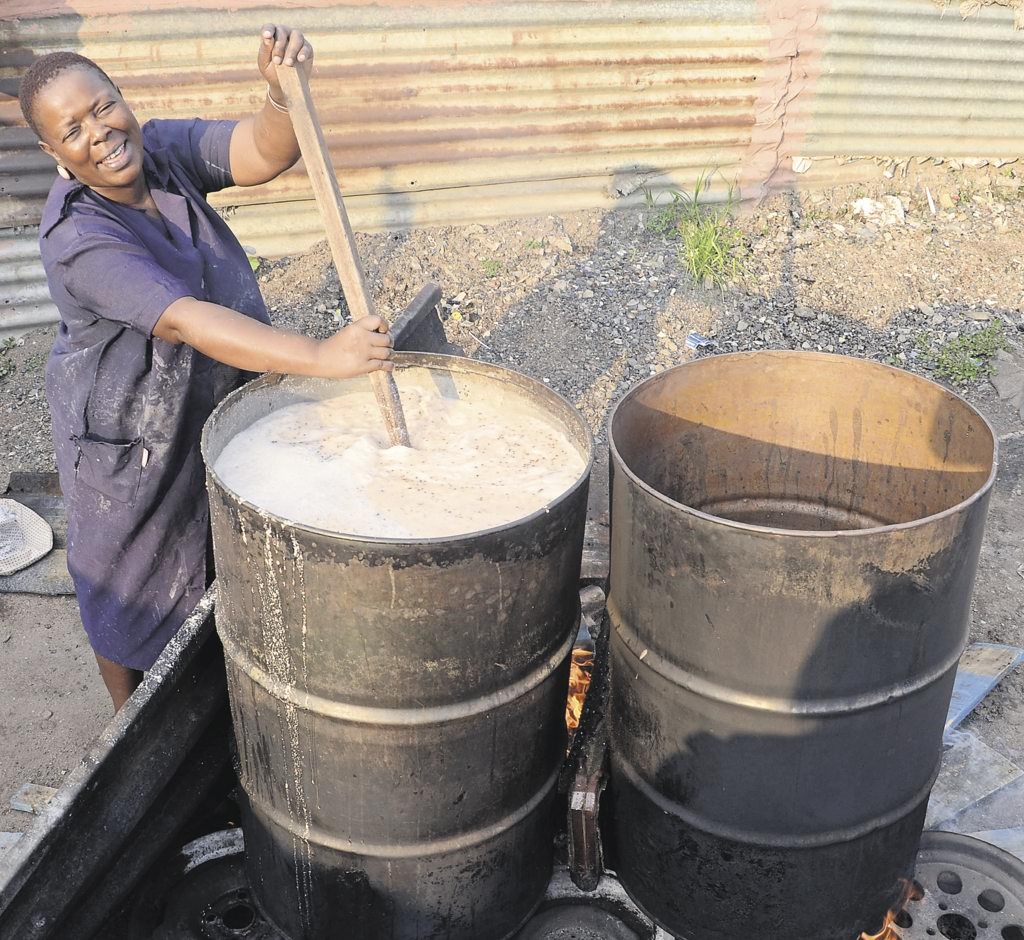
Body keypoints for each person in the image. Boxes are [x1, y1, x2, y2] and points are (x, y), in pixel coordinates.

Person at [19, 26, 393, 711]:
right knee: (130, 583)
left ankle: (221, 695)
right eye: (72, 130)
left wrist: (279, 98)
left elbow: (254, 152)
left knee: (220, 546)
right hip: (129, 432)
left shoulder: (159, 150)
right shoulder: (78, 237)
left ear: (121, 100)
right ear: (55, 155)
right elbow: (186, 319)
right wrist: (317, 357)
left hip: (210, 391)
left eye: (102, 106)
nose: (98, 132)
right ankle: (130, 727)